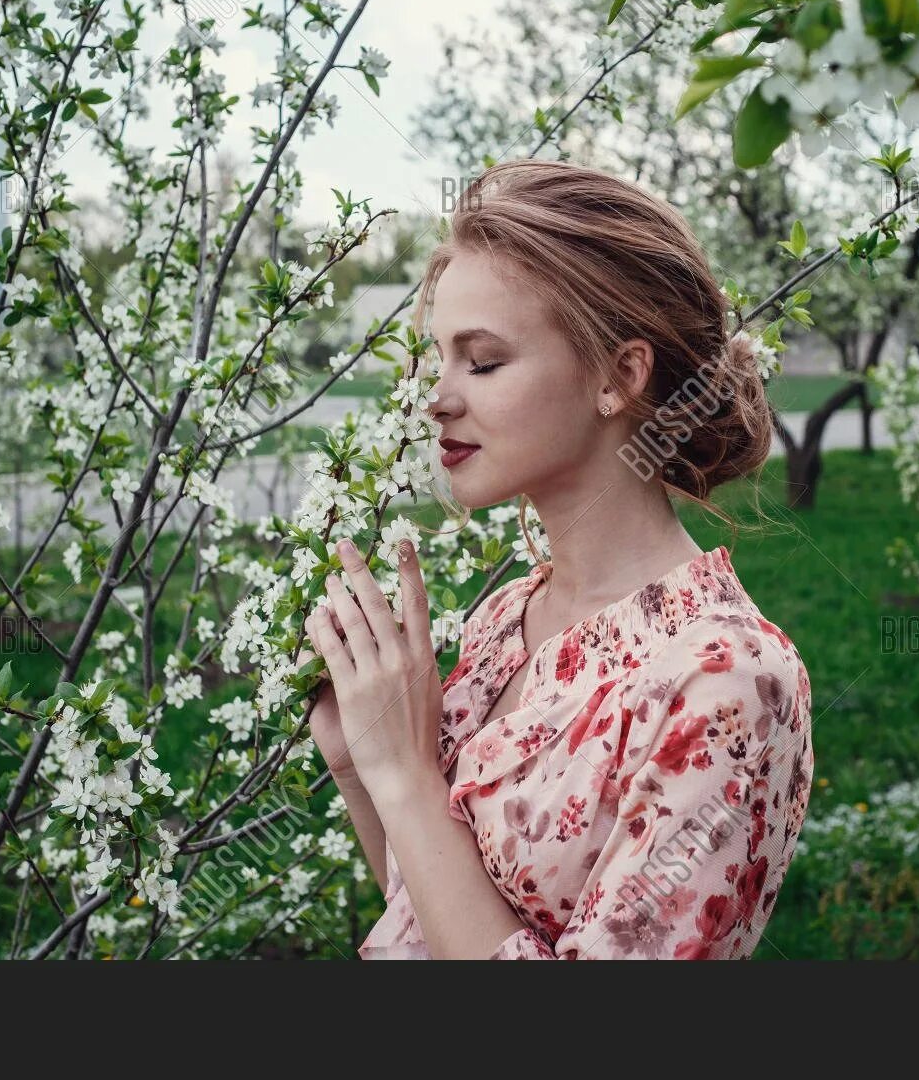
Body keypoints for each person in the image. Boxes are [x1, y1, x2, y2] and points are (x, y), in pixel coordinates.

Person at [302, 160, 814, 959]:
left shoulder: (726, 681)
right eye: (437, 359)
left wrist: (404, 777)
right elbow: (431, 923)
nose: (436, 396)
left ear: (620, 377)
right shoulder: (508, 618)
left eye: (483, 361)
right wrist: (358, 764)